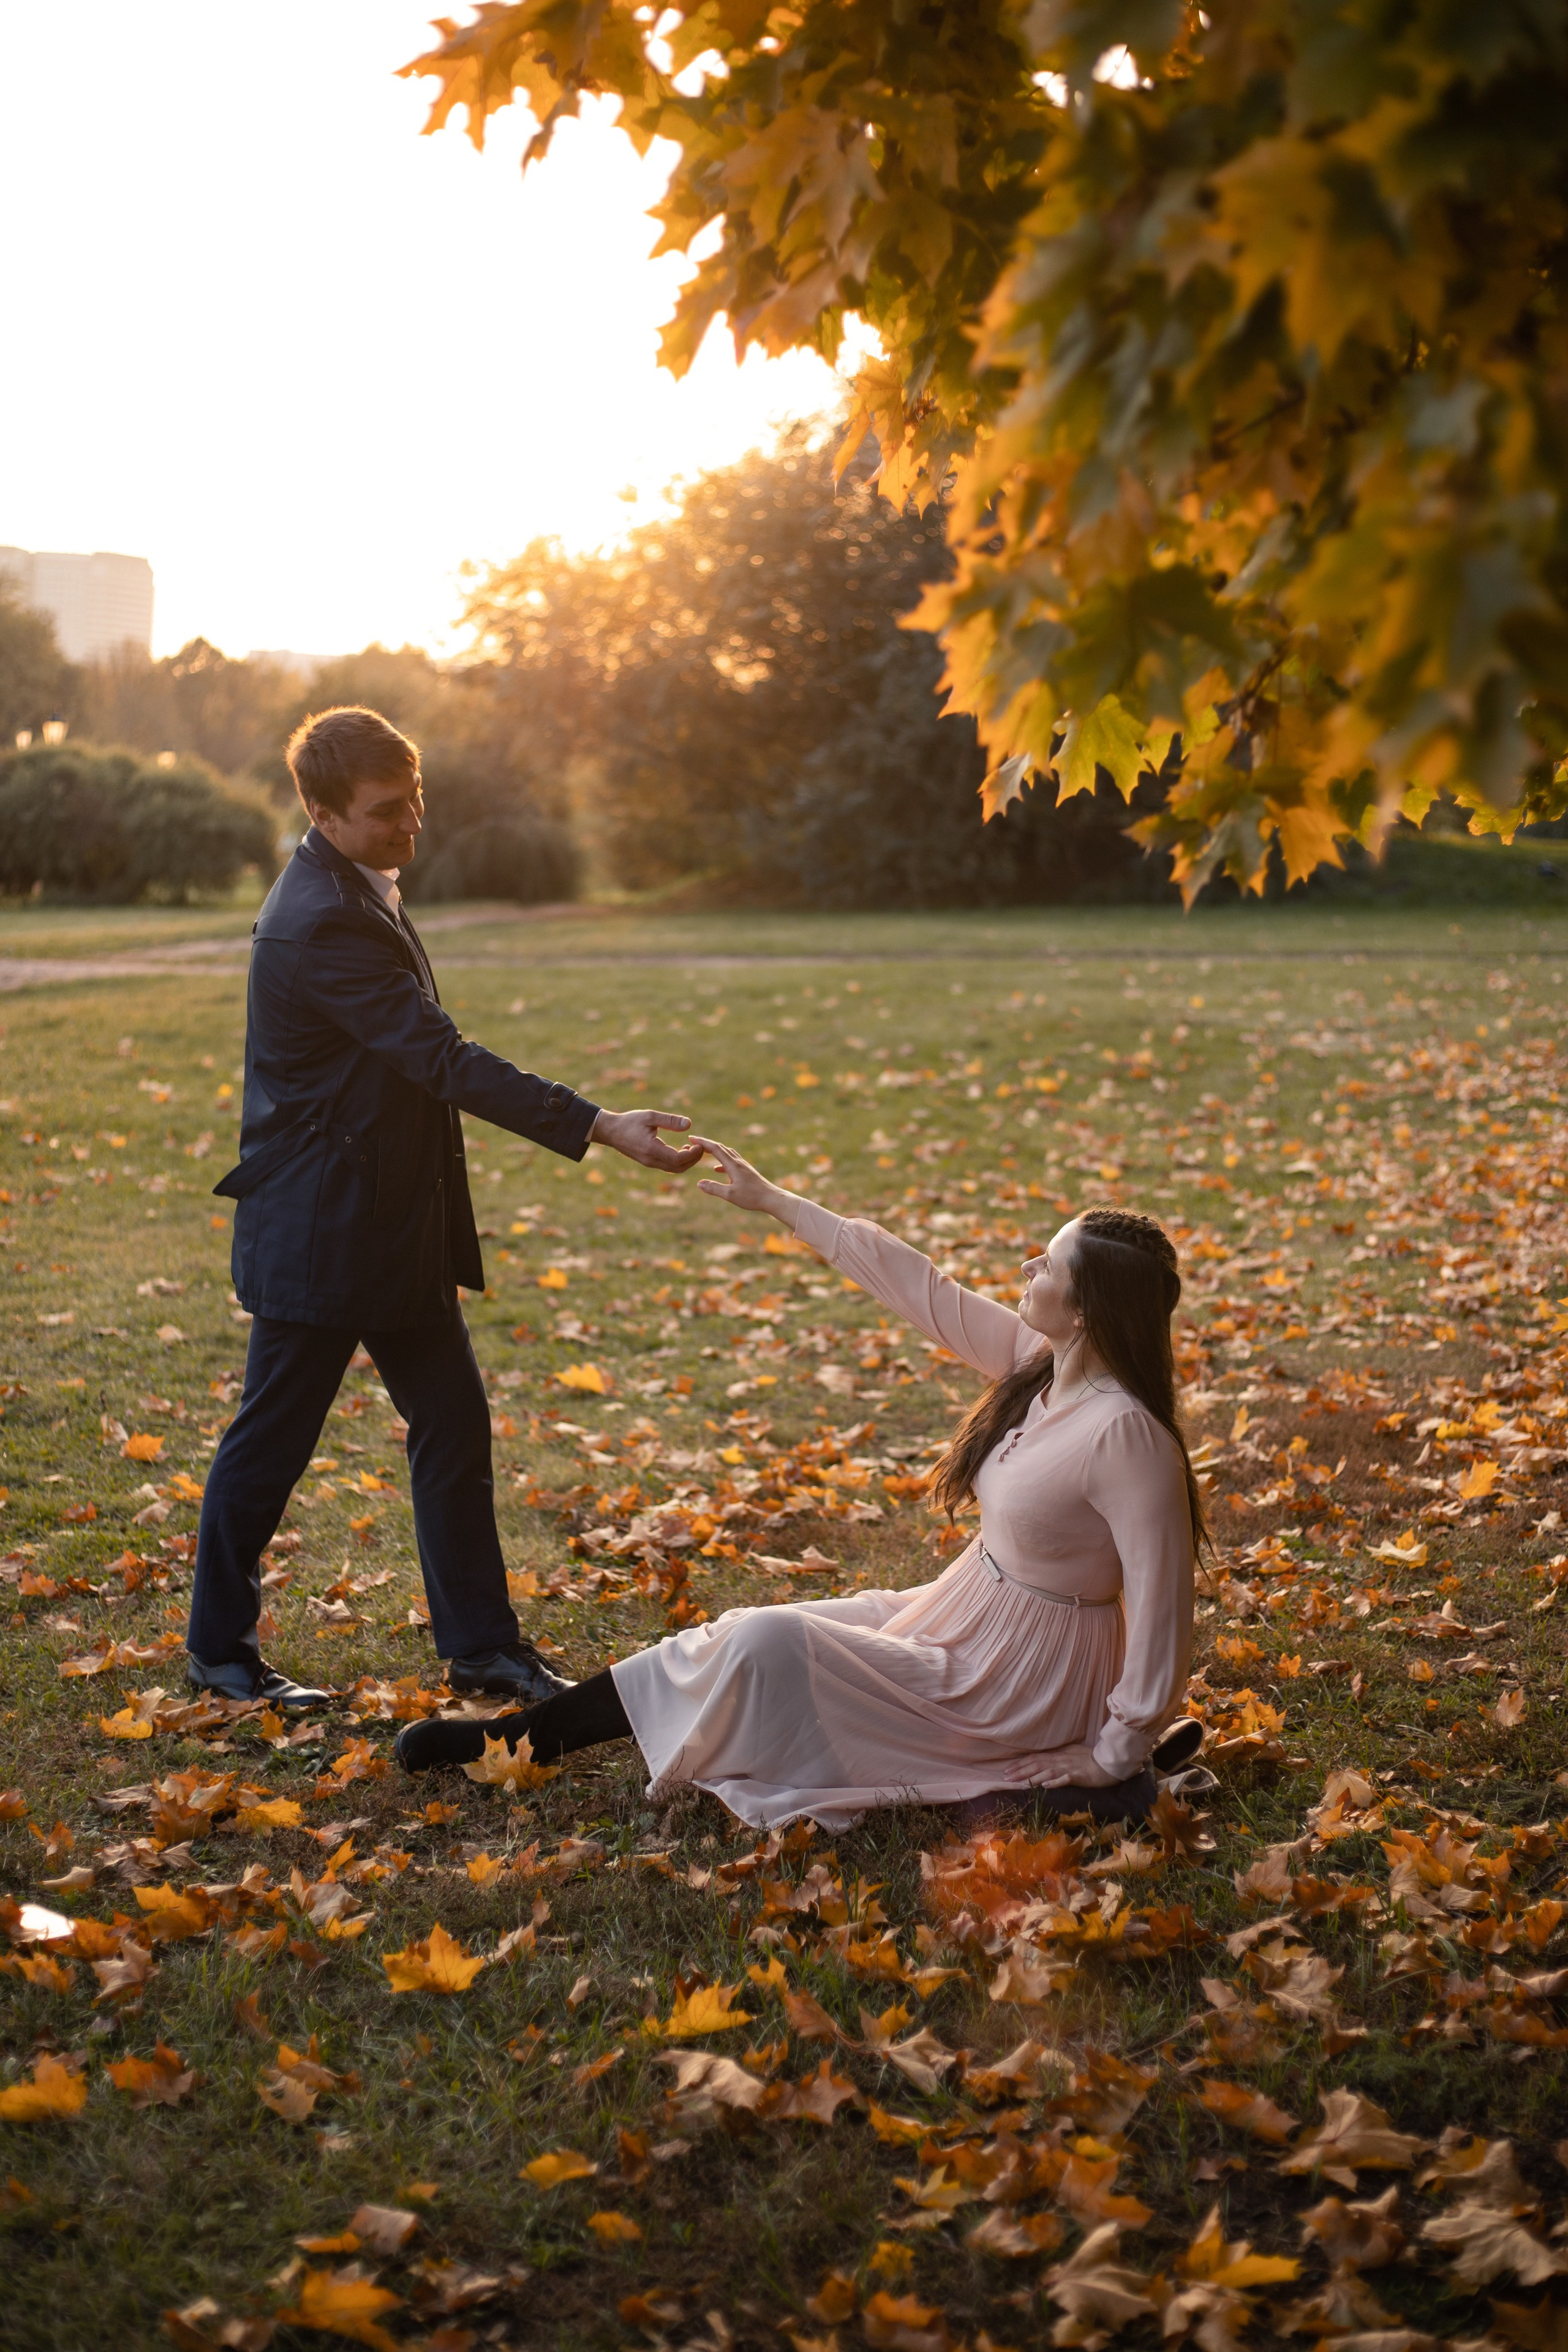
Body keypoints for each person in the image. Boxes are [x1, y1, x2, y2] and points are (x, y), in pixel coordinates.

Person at [395, 1136, 1207, 1829]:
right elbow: (921, 1287)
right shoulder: (1043, 1366)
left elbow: (1165, 1610)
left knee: (768, 1646)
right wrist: (780, 1203)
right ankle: (518, 1741)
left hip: (1027, 1679)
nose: (1029, 1264)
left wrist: (1112, 1752)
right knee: (747, 1630)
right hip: (962, 1616)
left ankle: (1109, 1792)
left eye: (1050, 1263)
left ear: (1087, 1312)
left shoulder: (1127, 1437)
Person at [186, 704, 701, 1713]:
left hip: (382, 1223)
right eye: (386, 811)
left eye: (416, 798)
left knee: (453, 1422)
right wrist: (600, 1124)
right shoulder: (321, 916)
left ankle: (483, 1652)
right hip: (324, 1231)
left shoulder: (354, 884)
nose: (411, 821)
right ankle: (218, 1654)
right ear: (322, 812)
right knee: (272, 1441)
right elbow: (441, 1058)